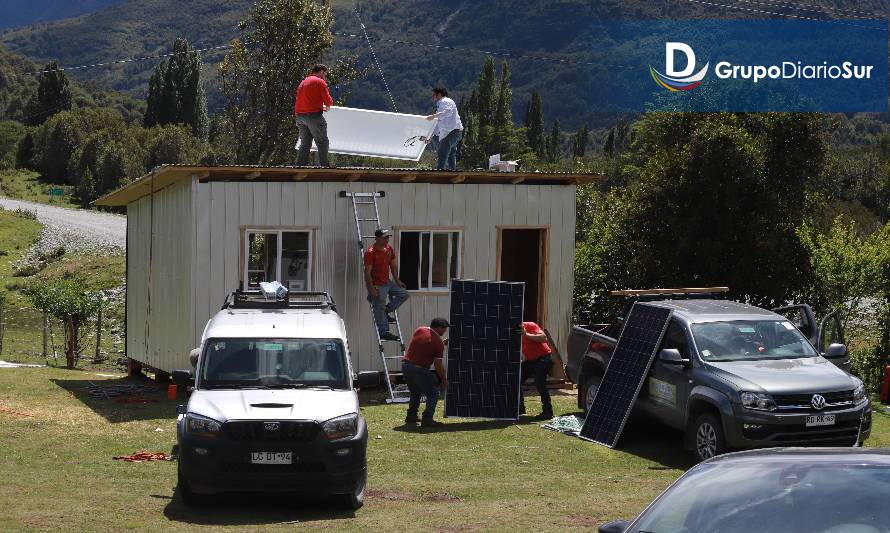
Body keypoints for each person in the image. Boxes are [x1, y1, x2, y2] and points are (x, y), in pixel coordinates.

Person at [402, 318, 450, 427]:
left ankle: (411, 417)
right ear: (438, 327)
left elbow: (425, 343)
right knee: (433, 392)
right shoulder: (438, 344)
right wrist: (444, 379)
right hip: (419, 369)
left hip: (406, 366)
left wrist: (440, 343)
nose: (445, 331)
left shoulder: (420, 330)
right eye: (444, 329)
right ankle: (427, 419)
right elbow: (438, 365)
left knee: (415, 392)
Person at [364, 228, 409, 341]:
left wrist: (397, 280)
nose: (387, 240)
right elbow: (367, 273)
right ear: (377, 238)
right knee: (379, 304)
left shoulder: (388, 249)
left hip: (387, 282)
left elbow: (393, 265)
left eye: (388, 237)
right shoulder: (370, 253)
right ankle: (384, 332)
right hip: (377, 285)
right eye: (384, 238)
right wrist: (371, 289)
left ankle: (386, 311)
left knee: (404, 294)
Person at [294, 64, 334, 167]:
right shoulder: (319, 82)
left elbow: (307, 100)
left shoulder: (303, 82)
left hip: (300, 116)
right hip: (313, 116)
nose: (325, 77)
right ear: (321, 72)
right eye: (325, 75)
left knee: (305, 143)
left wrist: (320, 106)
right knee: (322, 142)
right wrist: (327, 106)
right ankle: (325, 166)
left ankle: (300, 166)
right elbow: (328, 101)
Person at [519, 321, 554, 420]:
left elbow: (543, 338)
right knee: (516, 380)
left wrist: (526, 334)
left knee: (539, 382)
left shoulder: (530, 325)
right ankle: (520, 410)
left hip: (543, 358)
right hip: (530, 360)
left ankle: (548, 412)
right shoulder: (514, 331)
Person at [425, 87, 463, 171]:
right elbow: (438, 123)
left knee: (443, 152)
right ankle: (452, 171)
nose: (433, 97)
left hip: (452, 132)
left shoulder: (445, 101)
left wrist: (434, 116)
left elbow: (447, 112)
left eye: (434, 95)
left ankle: (440, 172)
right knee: (450, 154)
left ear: (439, 94)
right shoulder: (441, 105)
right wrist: (431, 136)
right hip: (454, 132)